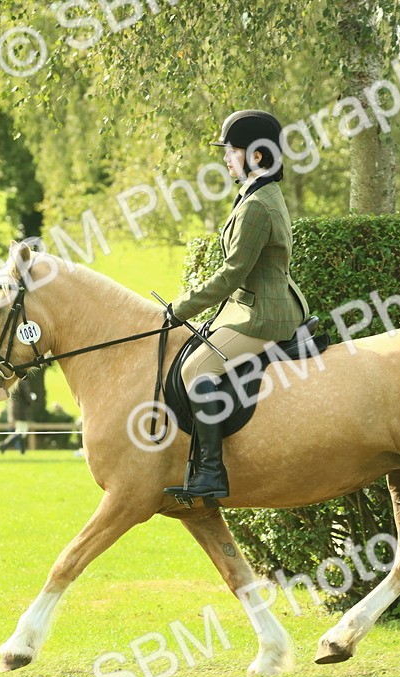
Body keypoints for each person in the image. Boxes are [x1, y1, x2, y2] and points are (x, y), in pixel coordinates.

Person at [163, 109, 311, 500]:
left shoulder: (257, 205)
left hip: (264, 314)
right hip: (252, 305)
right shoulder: (257, 193)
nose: (226, 158)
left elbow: (231, 274)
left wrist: (180, 309)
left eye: (232, 151)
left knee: (197, 368)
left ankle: (212, 472)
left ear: (256, 155)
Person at [0, 384, 33, 455]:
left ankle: (22, 451)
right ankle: (4, 445)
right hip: (22, 410)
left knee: (22, 431)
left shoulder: (13, 382)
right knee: (21, 432)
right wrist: (31, 400)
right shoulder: (22, 382)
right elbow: (27, 397)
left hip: (15, 409)